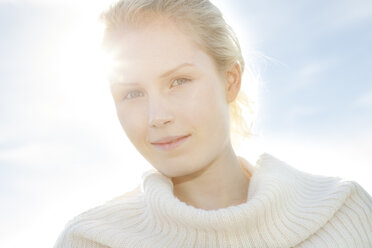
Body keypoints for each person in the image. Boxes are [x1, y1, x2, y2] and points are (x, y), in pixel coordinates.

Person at [54, 0, 372, 247]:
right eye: (132, 93)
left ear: (230, 80)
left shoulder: (345, 213)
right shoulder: (90, 241)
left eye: (179, 81)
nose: (156, 116)